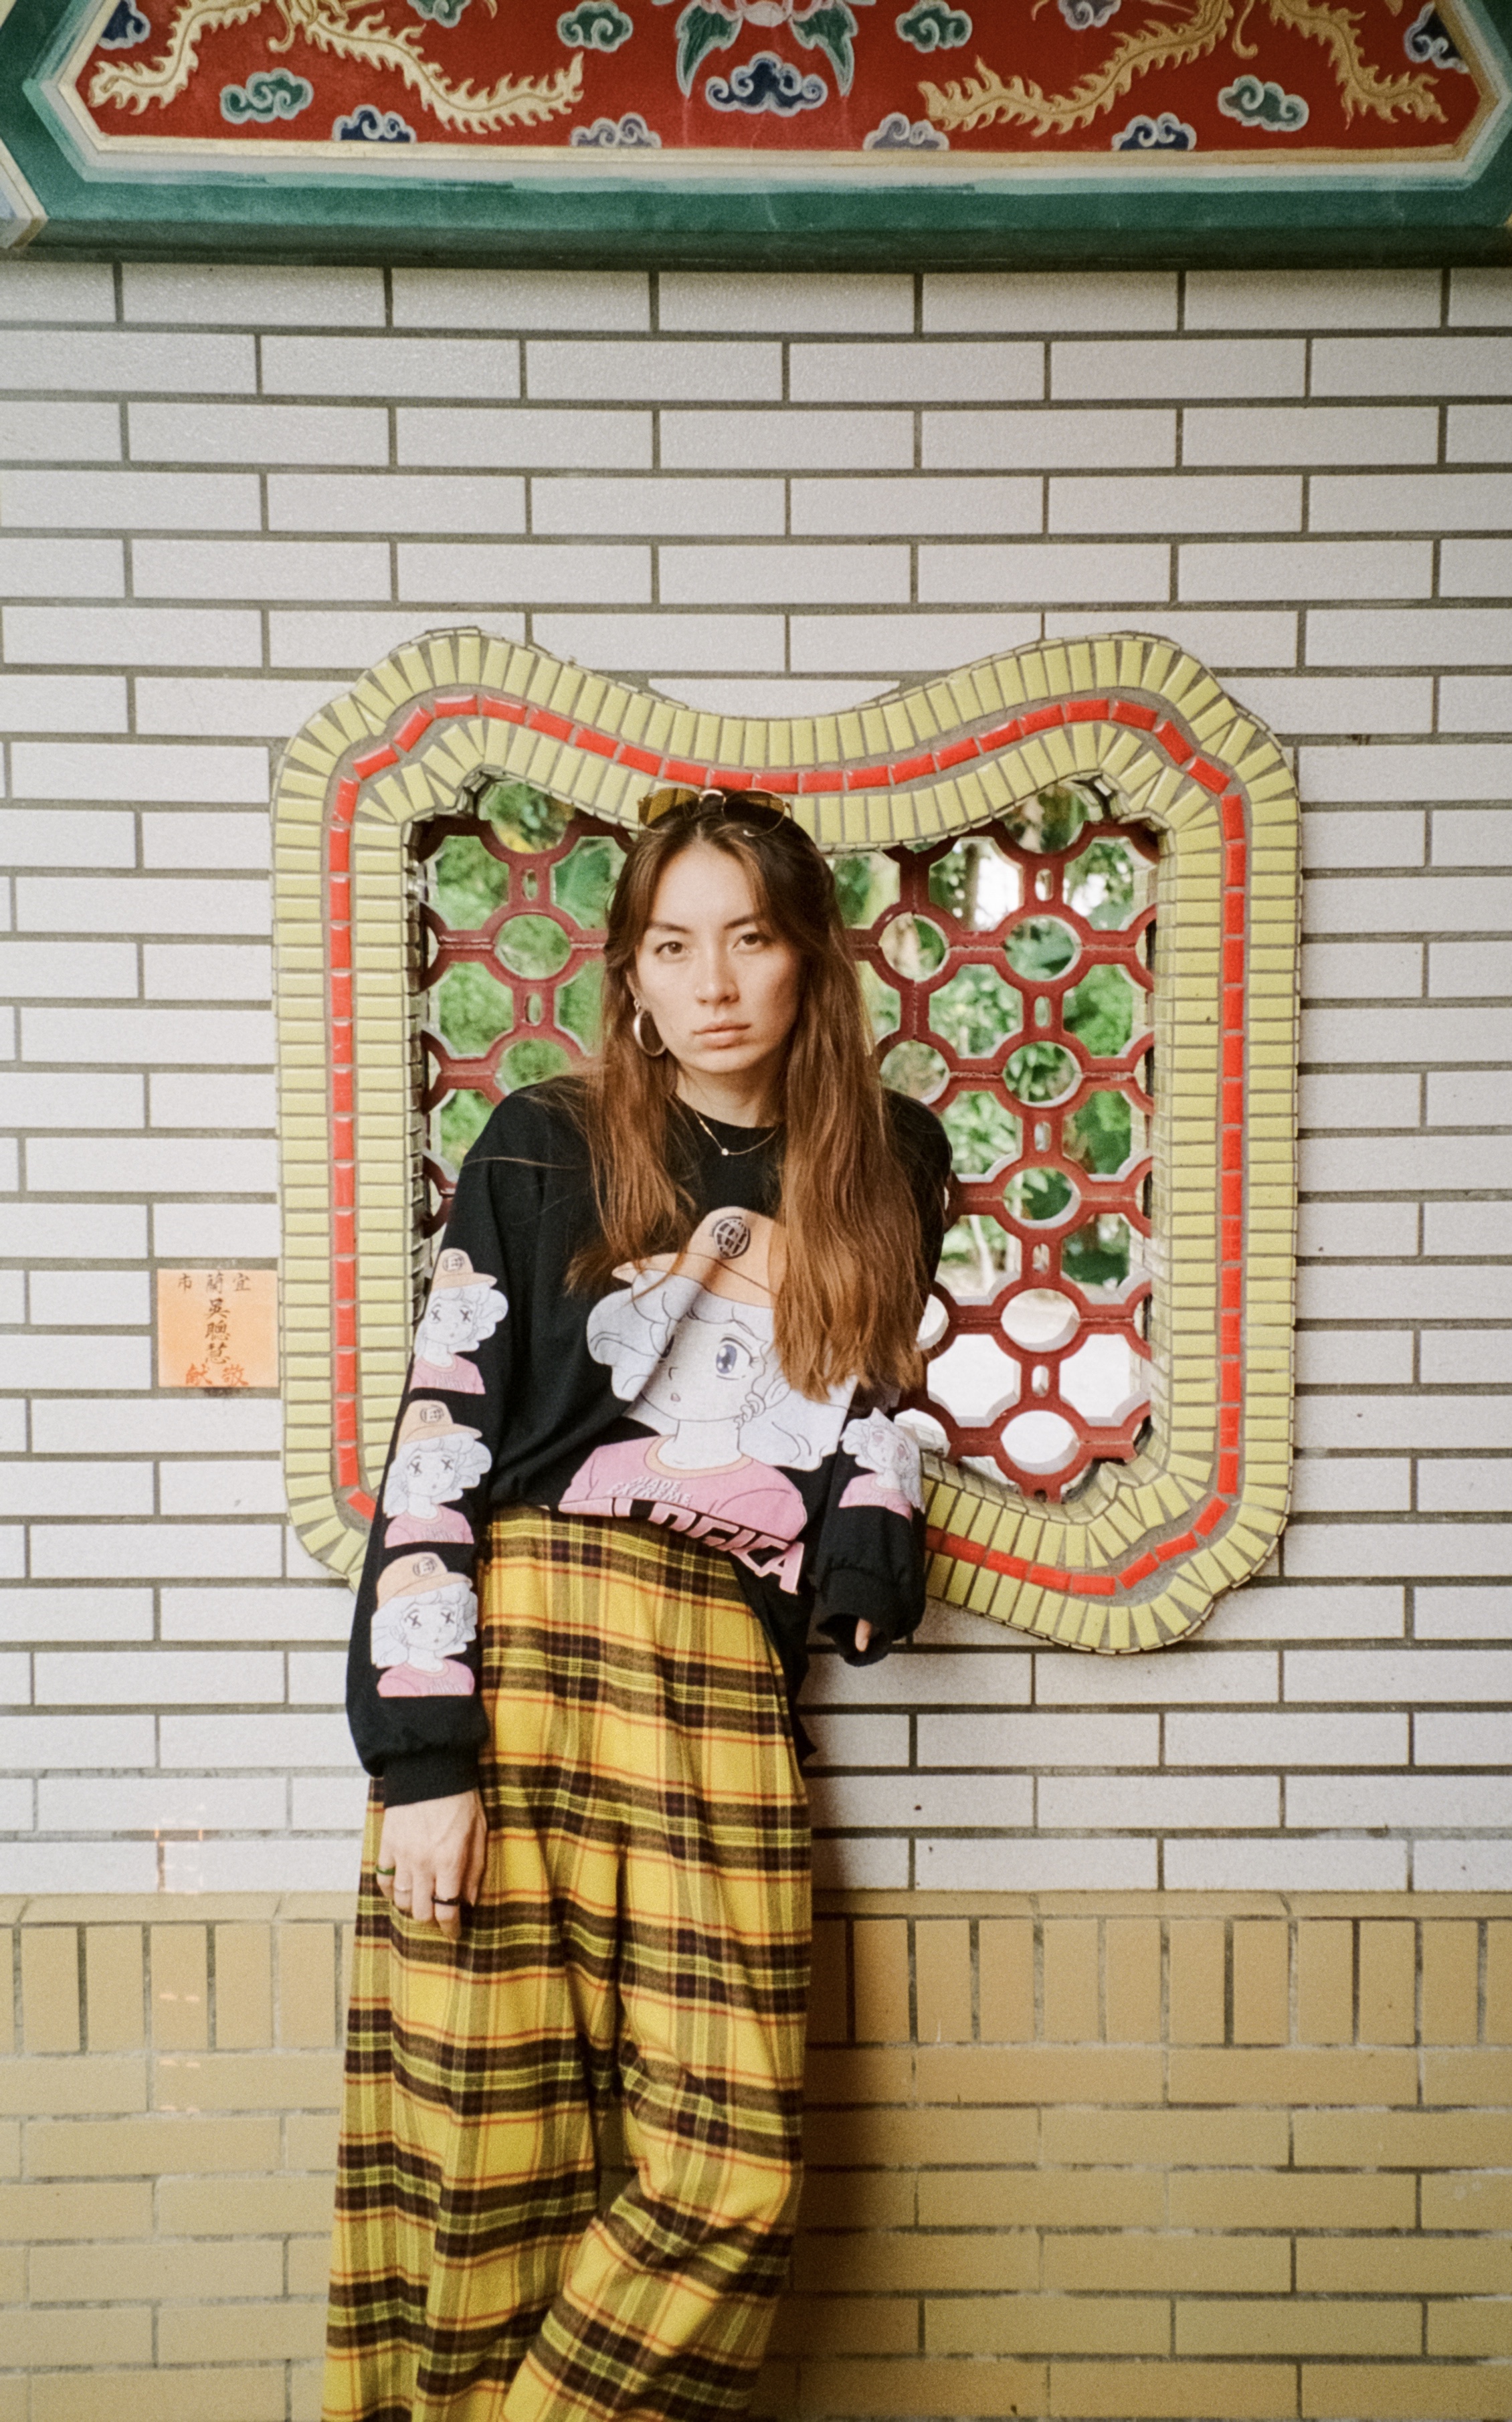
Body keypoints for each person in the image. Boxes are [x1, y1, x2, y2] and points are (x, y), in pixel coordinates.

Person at [323, 787, 951, 2422]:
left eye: (751, 936)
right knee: (483, 2154)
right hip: (520, 1647)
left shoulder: (888, 1158)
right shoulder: (543, 1136)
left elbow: (876, 1389)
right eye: (675, 944)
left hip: (723, 1670)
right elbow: (440, 1439)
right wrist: (420, 1757)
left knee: (729, 2164)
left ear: (811, 957)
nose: (715, 981)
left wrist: (875, 1539)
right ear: (634, 972)